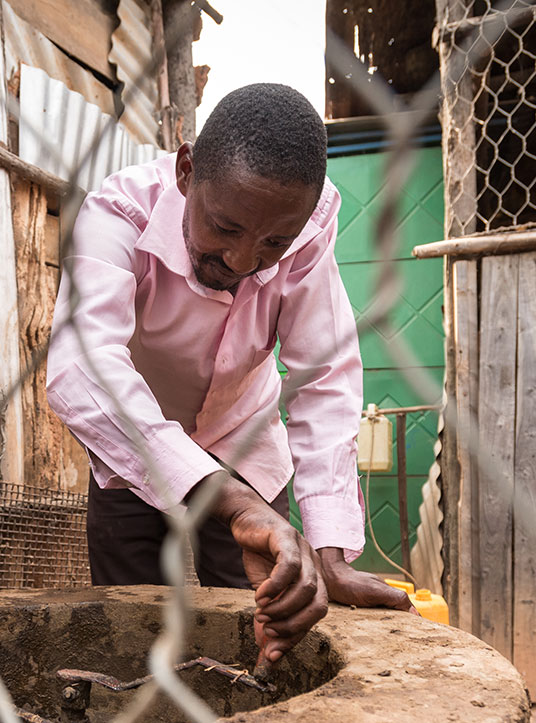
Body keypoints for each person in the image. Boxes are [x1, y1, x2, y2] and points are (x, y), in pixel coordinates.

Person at [45, 82, 415, 666]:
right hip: (134, 448)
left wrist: (330, 552)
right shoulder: (116, 215)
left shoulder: (310, 233)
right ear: (187, 171)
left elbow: (324, 379)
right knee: (131, 635)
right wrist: (230, 501)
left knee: (257, 633)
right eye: (224, 228)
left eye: (274, 243)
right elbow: (82, 368)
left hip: (245, 444)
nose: (243, 263)